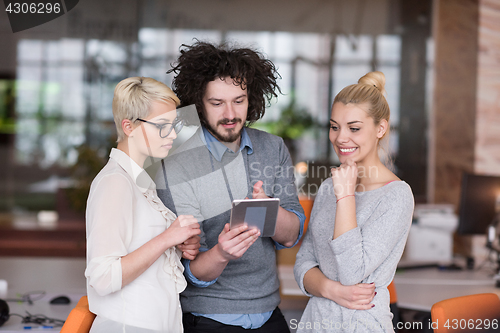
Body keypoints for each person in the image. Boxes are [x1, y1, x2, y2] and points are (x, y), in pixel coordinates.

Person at [155, 41, 306, 332]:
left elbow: (293, 234)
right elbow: (184, 265)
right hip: (208, 316)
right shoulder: (175, 157)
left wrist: (268, 214)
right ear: (198, 103)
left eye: (239, 100)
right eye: (217, 103)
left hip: (269, 312)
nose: (230, 113)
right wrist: (221, 254)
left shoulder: (272, 147)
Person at [294, 71, 414, 333]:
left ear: (380, 128)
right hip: (315, 323)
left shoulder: (396, 195)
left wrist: (346, 196)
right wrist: (332, 290)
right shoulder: (329, 186)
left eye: (354, 128)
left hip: (361, 325)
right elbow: (303, 263)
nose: (340, 138)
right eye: (334, 127)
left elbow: (352, 273)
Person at [85, 77, 201, 333]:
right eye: (162, 126)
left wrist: (178, 244)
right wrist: (167, 238)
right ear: (129, 126)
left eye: (174, 125)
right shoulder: (115, 182)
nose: (172, 134)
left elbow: (142, 254)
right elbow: (103, 277)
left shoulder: (140, 181)